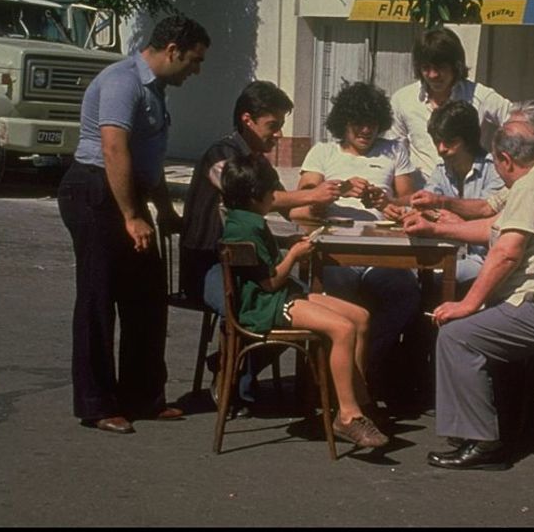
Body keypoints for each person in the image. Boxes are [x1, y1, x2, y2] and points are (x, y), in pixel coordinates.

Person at [416, 122, 534, 470]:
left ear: (505, 159)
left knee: (457, 335)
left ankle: (484, 443)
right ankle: (474, 427)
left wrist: (468, 303)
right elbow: (495, 230)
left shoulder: (532, 185)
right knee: (467, 328)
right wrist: (437, 228)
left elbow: (506, 251)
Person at [57, 15, 209, 435]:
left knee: (147, 297)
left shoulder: (155, 92)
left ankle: (143, 396)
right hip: (93, 192)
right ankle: (98, 404)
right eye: (193, 61)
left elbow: (148, 159)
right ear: (172, 50)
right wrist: (130, 215)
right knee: (98, 298)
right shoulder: (122, 81)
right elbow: (113, 148)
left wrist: (163, 210)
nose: (195, 71)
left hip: (128, 193)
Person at [178, 81, 342, 408]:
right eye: (274, 125)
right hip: (209, 264)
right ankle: (232, 368)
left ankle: (231, 366)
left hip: (250, 266)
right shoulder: (221, 154)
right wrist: (312, 194)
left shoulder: (259, 161)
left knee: (299, 299)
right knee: (258, 309)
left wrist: (338, 202)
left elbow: (284, 205)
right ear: (247, 120)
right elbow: (266, 195)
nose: (279, 134)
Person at [218, 155, 388, 448]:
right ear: (254, 196)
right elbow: (269, 281)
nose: (275, 196)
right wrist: (294, 254)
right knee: (343, 329)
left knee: (360, 316)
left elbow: (262, 266)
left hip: (276, 295)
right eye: (271, 192)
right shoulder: (244, 229)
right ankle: (347, 416)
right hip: (265, 305)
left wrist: (289, 246)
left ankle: (359, 401)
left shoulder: (245, 218)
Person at [290, 81, 422, 389]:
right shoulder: (323, 152)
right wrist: (341, 189)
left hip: (383, 252)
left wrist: (386, 202)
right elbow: (302, 201)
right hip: (336, 253)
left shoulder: (394, 151)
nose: (366, 130)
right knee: (339, 294)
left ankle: (363, 367)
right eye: (358, 123)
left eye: (372, 123)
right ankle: (340, 377)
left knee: (406, 293)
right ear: (343, 123)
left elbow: (410, 199)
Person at [396, 100, 504, 289]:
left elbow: (485, 210)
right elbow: (425, 204)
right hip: (445, 254)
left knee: (429, 280)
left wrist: (439, 205)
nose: (441, 149)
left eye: (450, 141)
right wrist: (405, 210)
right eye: (437, 141)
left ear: (468, 139)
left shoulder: (494, 169)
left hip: (482, 259)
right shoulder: (442, 169)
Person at [387, 27, 513, 182]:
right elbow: (397, 152)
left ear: (455, 65)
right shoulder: (403, 99)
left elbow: (517, 123)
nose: (433, 75)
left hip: (471, 191)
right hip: (423, 191)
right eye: (426, 68)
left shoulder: (480, 95)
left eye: (440, 67)